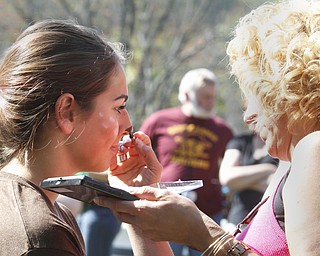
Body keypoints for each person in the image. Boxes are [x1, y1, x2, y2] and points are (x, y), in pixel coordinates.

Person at [94, 0, 320, 255]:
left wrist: (204, 234)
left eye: (257, 94)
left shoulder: (314, 150)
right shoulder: (290, 164)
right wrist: (137, 199)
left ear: (293, 89)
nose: (249, 116)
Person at [0, 19, 167, 255]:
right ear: (67, 112)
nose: (128, 125)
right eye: (118, 107)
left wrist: (136, 199)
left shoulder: (46, 211)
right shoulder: (43, 235)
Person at [139, 68, 233, 255]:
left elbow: (230, 166)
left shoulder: (223, 130)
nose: (211, 102)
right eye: (206, 96)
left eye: (213, 96)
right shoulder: (159, 121)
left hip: (206, 213)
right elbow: (139, 157)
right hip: (165, 208)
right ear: (187, 94)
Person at [219, 132, 278, 230]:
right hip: (237, 221)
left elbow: (275, 185)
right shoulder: (240, 141)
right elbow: (226, 177)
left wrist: (240, 182)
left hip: (268, 223)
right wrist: (269, 169)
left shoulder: (282, 145)